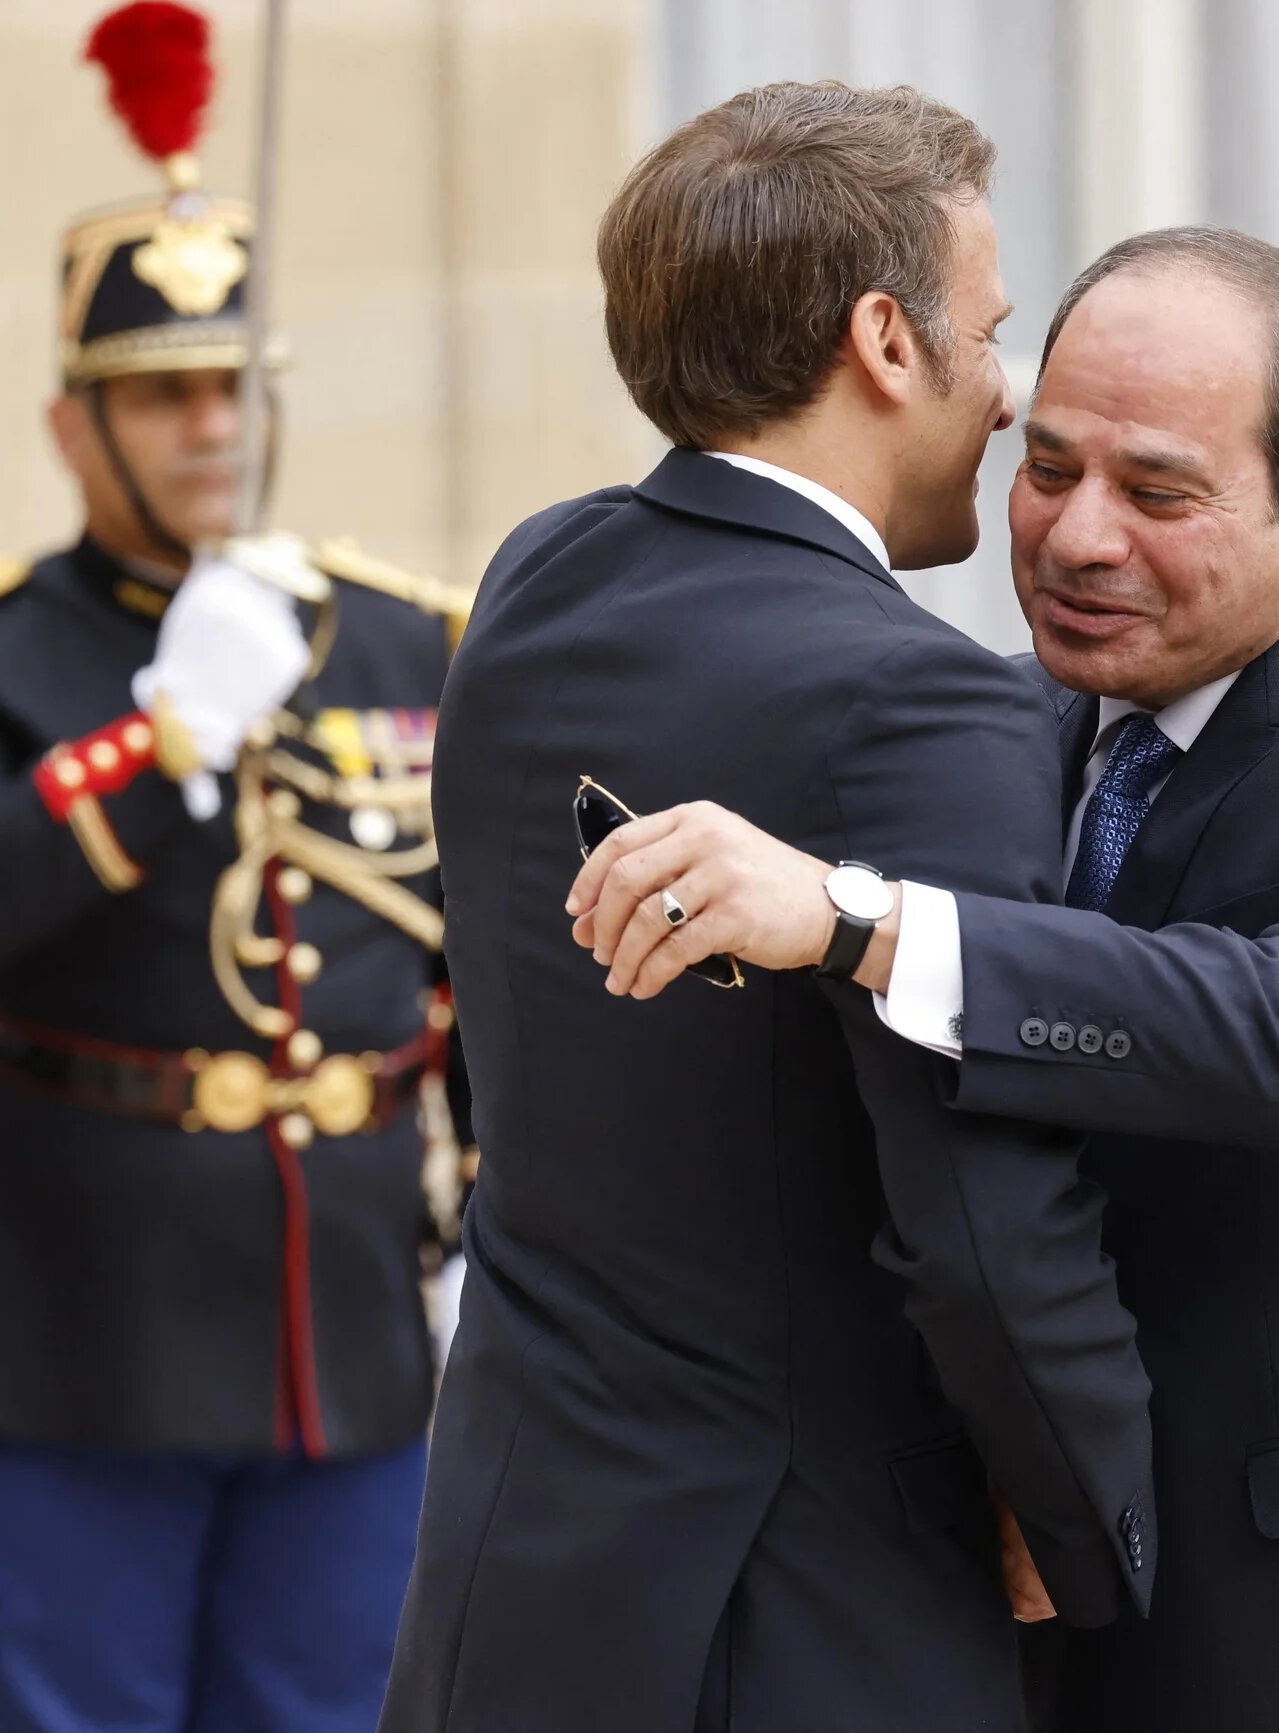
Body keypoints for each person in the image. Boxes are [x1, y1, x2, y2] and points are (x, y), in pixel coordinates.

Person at [569, 224, 1279, 1733]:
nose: (1081, 537)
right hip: (1054, 1626)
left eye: (1157, 492)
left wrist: (854, 920)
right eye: (1050, 467)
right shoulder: (1010, 734)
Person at [378, 83, 1155, 1733]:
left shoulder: (538, 578)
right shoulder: (934, 708)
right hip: (798, 1615)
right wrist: (1098, 1534)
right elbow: (981, 1222)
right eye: (990, 331)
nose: (1007, 397)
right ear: (888, 339)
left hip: (514, 1583)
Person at [0, 9, 471, 1730]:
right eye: (158, 397)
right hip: (72, 1296)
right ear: (69, 427)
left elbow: (472, 940)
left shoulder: (402, 634)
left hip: (348, 1310)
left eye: (233, 389)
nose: (209, 429)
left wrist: (492, 1197)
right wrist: (166, 736)